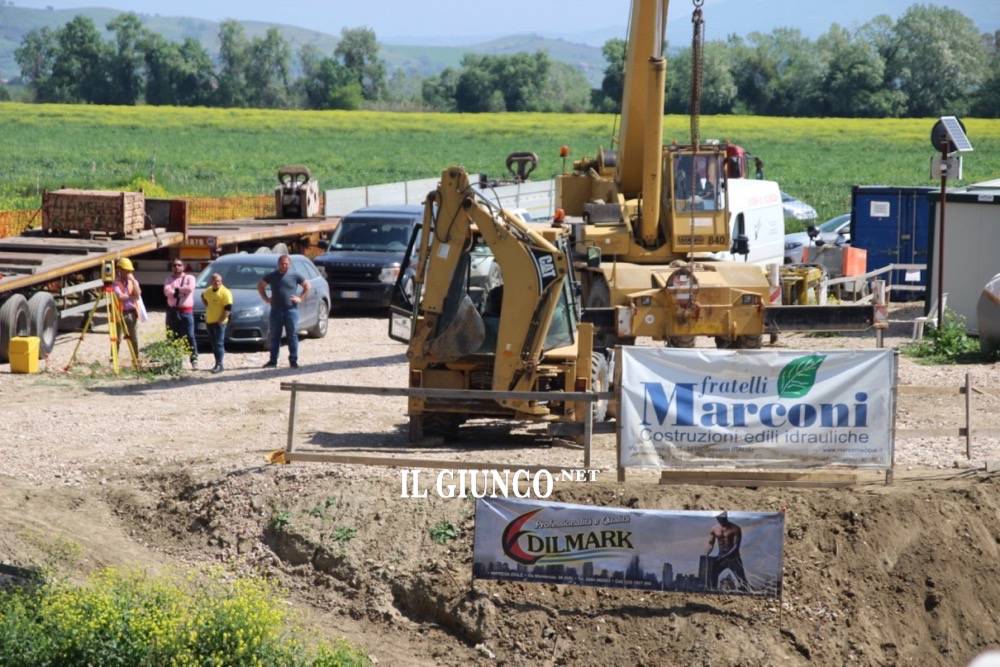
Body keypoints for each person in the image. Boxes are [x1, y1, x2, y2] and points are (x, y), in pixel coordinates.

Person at [257, 254, 310, 368]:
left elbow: (307, 286)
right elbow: (260, 286)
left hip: (291, 310)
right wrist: (266, 298)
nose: (284, 266)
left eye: (286, 264)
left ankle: (293, 361)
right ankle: (273, 361)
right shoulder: (272, 275)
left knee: (292, 336)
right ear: (278, 264)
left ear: (289, 264)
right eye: (282, 263)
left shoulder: (295, 275)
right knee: (275, 336)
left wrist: (300, 298)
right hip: (276, 310)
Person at [163, 259, 198, 369]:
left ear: (183, 267)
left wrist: (176, 290)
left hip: (186, 312)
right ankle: (175, 362)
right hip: (172, 312)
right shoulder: (168, 279)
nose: (176, 267)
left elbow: (189, 289)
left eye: (179, 265)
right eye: (174, 265)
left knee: (190, 336)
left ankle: (194, 360)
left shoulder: (190, 278)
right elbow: (166, 292)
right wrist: (179, 291)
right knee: (172, 337)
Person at [705, 511, 749, 592]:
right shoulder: (714, 529)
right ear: (716, 518)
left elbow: (736, 547)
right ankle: (713, 593)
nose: (721, 519)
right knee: (712, 577)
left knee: (743, 581)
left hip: (733, 558)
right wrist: (706, 554)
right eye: (719, 518)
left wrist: (723, 557)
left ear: (726, 516)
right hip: (721, 556)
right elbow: (710, 543)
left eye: (723, 517)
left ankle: (746, 595)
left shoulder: (736, 528)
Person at [201, 272, 233, 374]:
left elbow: (228, 309)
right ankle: (216, 362)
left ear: (221, 281)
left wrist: (220, 320)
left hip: (220, 322)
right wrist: (207, 305)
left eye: (219, 281)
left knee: (219, 343)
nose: (217, 283)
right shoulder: (208, 290)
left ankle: (220, 364)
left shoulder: (225, 292)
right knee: (214, 343)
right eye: (215, 281)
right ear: (211, 282)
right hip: (209, 320)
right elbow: (203, 296)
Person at [113, 257, 142, 359]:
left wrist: (133, 281)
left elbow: (138, 295)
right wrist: (131, 296)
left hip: (132, 313)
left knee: (133, 337)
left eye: (129, 270)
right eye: (126, 270)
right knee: (116, 338)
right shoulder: (116, 283)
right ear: (119, 270)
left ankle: (136, 358)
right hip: (119, 313)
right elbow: (120, 297)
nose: (128, 272)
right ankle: (114, 358)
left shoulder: (133, 282)